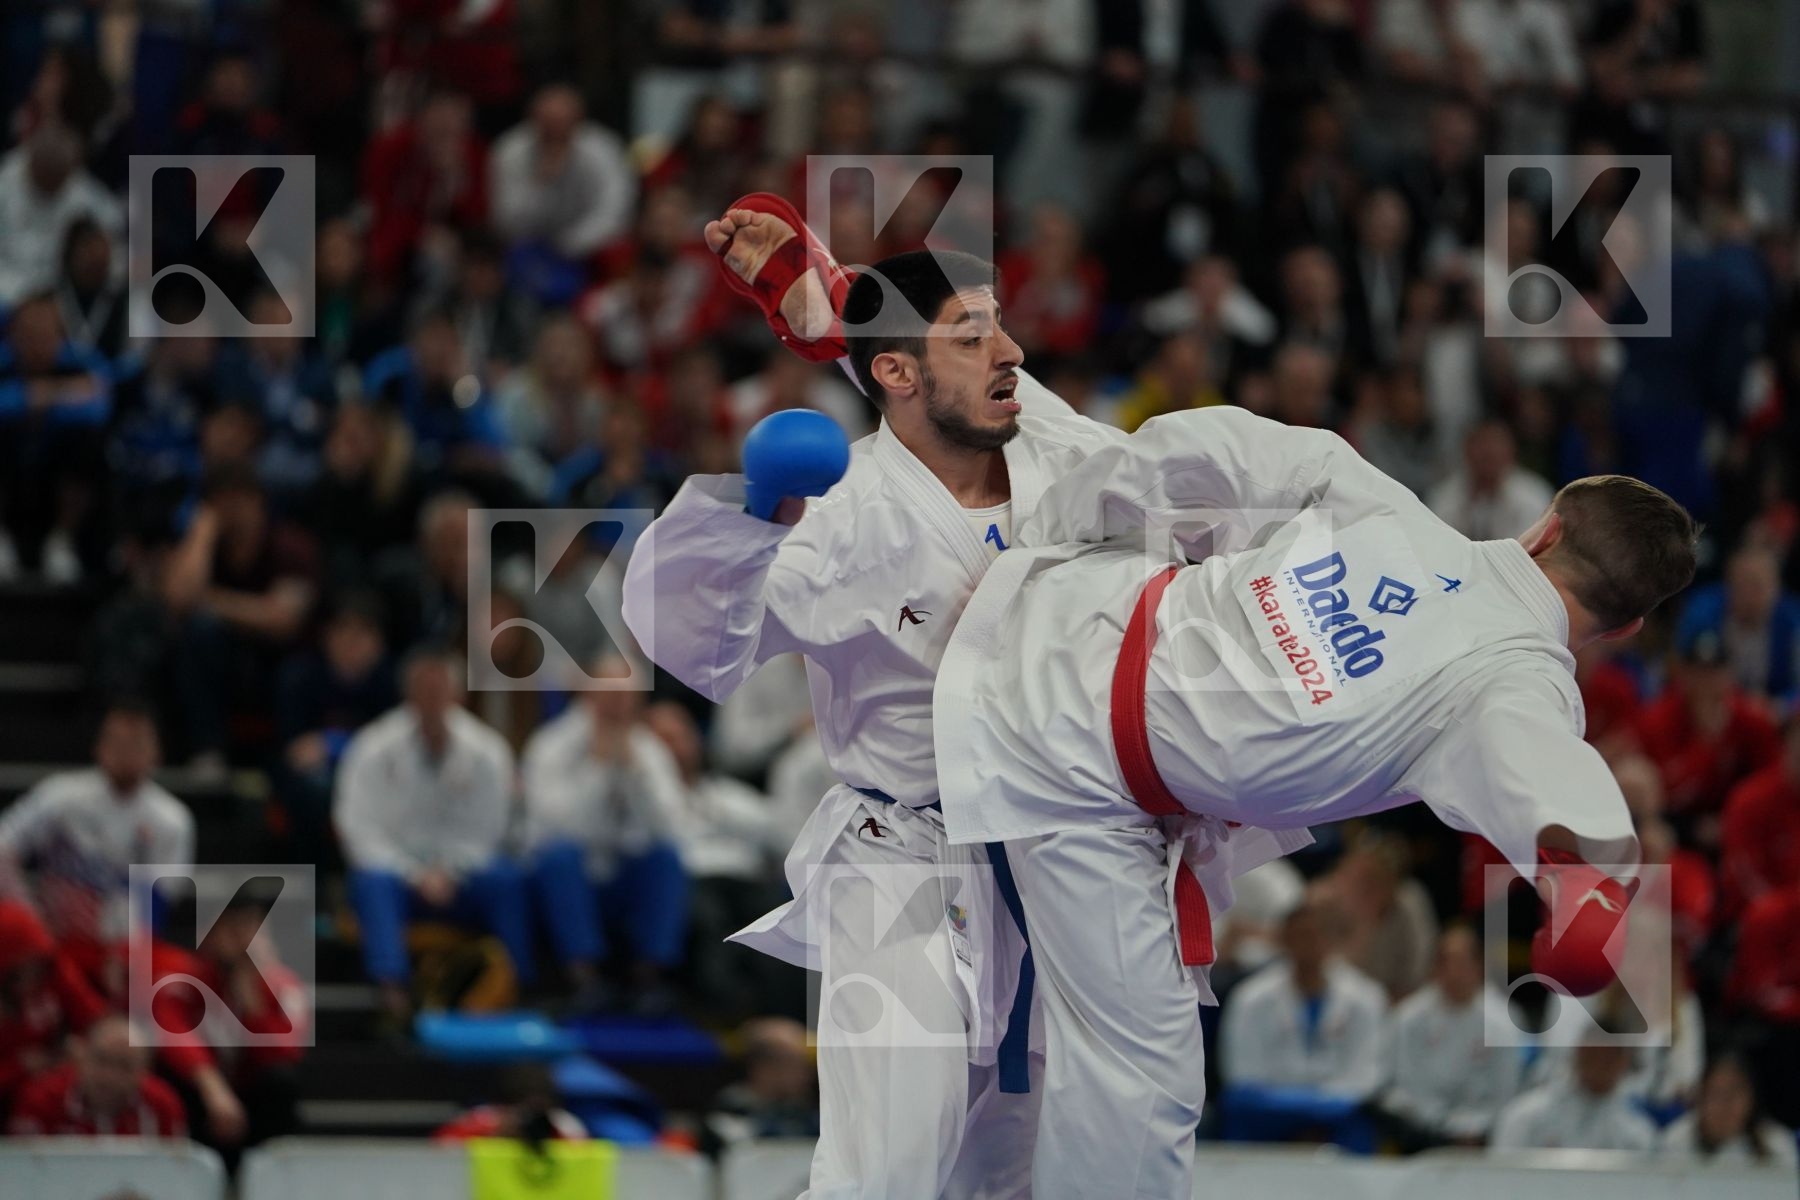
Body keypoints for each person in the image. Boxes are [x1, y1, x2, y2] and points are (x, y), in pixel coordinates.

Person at [930, 405, 1694, 1197]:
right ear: (1627, 628)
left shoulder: (1384, 504)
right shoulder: (1515, 684)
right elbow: (1545, 768)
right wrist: (1589, 872)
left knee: (1064, 433)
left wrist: (1052, 537)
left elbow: (1203, 448)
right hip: (1077, 777)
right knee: (1142, 1084)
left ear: (1546, 529)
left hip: (1064, 608)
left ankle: (887, 347)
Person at [623, 195, 1119, 1198]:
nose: (1012, 353)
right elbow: (692, 639)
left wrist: (821, 293)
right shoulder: (841, 516)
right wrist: (755, 517)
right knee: (882, 1173)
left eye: (1000, 328)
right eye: (974, 335)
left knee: (1015, 1176)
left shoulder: (1057, 448)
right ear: (895, 373)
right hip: (907, 870)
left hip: (1063, 866)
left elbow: (908, 352)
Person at [335, 649, 532, 1025]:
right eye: (423, 689)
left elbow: (494, 830)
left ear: (458, 694)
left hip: (464, 878)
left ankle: (516, 989)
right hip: (398, 879)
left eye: (439, 689)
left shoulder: (487, 750)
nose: (431, 698)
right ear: (408, 693)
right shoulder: (372, 747)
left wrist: (450, 871)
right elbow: (357, 828)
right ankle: (393, 995)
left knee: (507, 879)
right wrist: (415, 874)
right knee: (371, 880)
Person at [521, 657, 689, 1015]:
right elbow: (557, 826)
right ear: (588, 694)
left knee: (666, 857)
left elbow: (668, 825)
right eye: (610, 696)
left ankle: (649, 980)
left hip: (623, 872)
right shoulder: (551, 746)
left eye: (626, 697)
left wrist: (634, 773)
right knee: (559, 857)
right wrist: (599, 769)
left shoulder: (647, 750)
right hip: (573, 874)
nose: (617, 706)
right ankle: (585, 979)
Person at [1219, 896, 1387, 1106]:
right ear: (1284, 940)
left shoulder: (1366, 998)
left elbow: (1367, 1073)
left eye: (1316, 935)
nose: (1308, 944)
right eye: (1300, 936)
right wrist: (1290, 1104)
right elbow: (1242, 1073)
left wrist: (1322, 1104)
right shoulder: (1250, 998)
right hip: (1268, 1113)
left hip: (1341, 1113)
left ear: (1332, 939)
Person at [1374, 925, 1523, 1149]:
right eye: (1446, 963)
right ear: (1435, 968)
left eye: (1462, 964)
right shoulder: (1409, 1018)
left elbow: (1506, 1093)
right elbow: (1395, 1083)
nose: (1454, 973)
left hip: (1481, 1132)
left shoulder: (1503, 1023)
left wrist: (1476, 1127)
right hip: (1420, 1130)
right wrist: (1430, 1123)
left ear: (1479, 966)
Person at [7, 1015, 187, 1138]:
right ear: (82, 1056)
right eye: (102, 1060)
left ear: (144, 1071)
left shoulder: (163, 1106)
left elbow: (176, 1172)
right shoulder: (40, 1100)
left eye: (124, 1066)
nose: (110, 1076)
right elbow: (23, 1171)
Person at [1489, 1032, 1657, 1152]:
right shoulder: (1525, 1116)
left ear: (1623, 1063)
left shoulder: (1636, 1131)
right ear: (1577, 1055)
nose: (1598, 1066)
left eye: (1608, 1059)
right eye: (1592, 1056)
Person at [1658, 1054, 1799, 1167]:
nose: (1724, 1105)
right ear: (1700, 1097)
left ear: (1751, 1099)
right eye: (1716, 1093)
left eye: (1733, 1094)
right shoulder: (1675, 1141)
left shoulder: (1775, 1144)